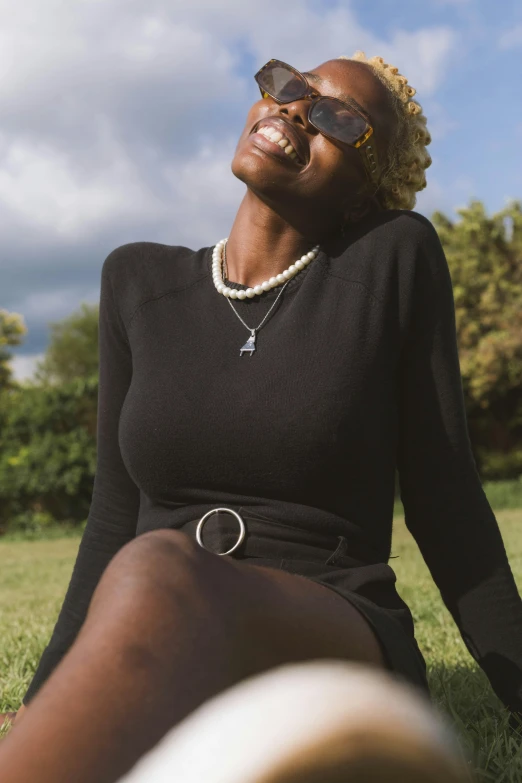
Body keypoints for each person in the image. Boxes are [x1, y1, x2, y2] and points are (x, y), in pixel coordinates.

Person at [1, 50, 521, 782]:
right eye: (290, 86)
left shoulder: (393, 261)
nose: (296, 109)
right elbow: (114, 512)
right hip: (157, 626)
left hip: (328, 620)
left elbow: (448, 501)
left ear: (364, 195)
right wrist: (43, 693)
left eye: (340, 117)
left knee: (155, 567)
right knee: (145, 565)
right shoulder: (136, 279)